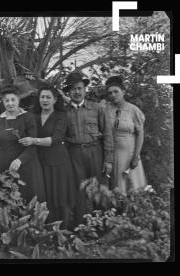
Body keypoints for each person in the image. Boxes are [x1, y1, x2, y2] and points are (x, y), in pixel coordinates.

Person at [21, 85, 76, 229]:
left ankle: (62, 230)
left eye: (48, 97)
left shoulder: (61, 116)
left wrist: (34, 141)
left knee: (59, 195)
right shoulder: (33, 116)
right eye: (42, 97)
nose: (44, 100)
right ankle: (44, 230)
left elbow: (56, 138)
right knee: (43, 195)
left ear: (55, 99)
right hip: (38, 162)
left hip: (58, 162)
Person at [63, 72, 114, 226]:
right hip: (74, 153)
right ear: (68, 92)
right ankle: (82, 227)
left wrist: (109, 160)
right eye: (73, 89)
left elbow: (107, 134)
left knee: (100, 189)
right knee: (79, 191)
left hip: (95, 152)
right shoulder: (64, 112)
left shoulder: (97, 108)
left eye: (79, 88)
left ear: (85, 89)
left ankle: (104, 226)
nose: (76, 92)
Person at [0, 84, 46, 203]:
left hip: (26, 166)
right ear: (3, 102)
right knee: (8, 201)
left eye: (13, 100)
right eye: (6, 100)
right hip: (5, 166)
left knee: (27, 201)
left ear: (19, 99)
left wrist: (20, 160)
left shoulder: (28, 117)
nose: (10, 103)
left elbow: (33, 144)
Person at [105, 76, 147, 195]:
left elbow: (140, 134)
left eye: (116, 91)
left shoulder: (134, 110)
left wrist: (136, 156)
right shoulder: (106, 109)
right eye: (110, 93)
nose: (113, 95)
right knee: (117, 187)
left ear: (123, 92)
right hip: (113, 154)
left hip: (129, 154)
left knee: (132, 187)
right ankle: (119, 211)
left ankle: (135, 211)